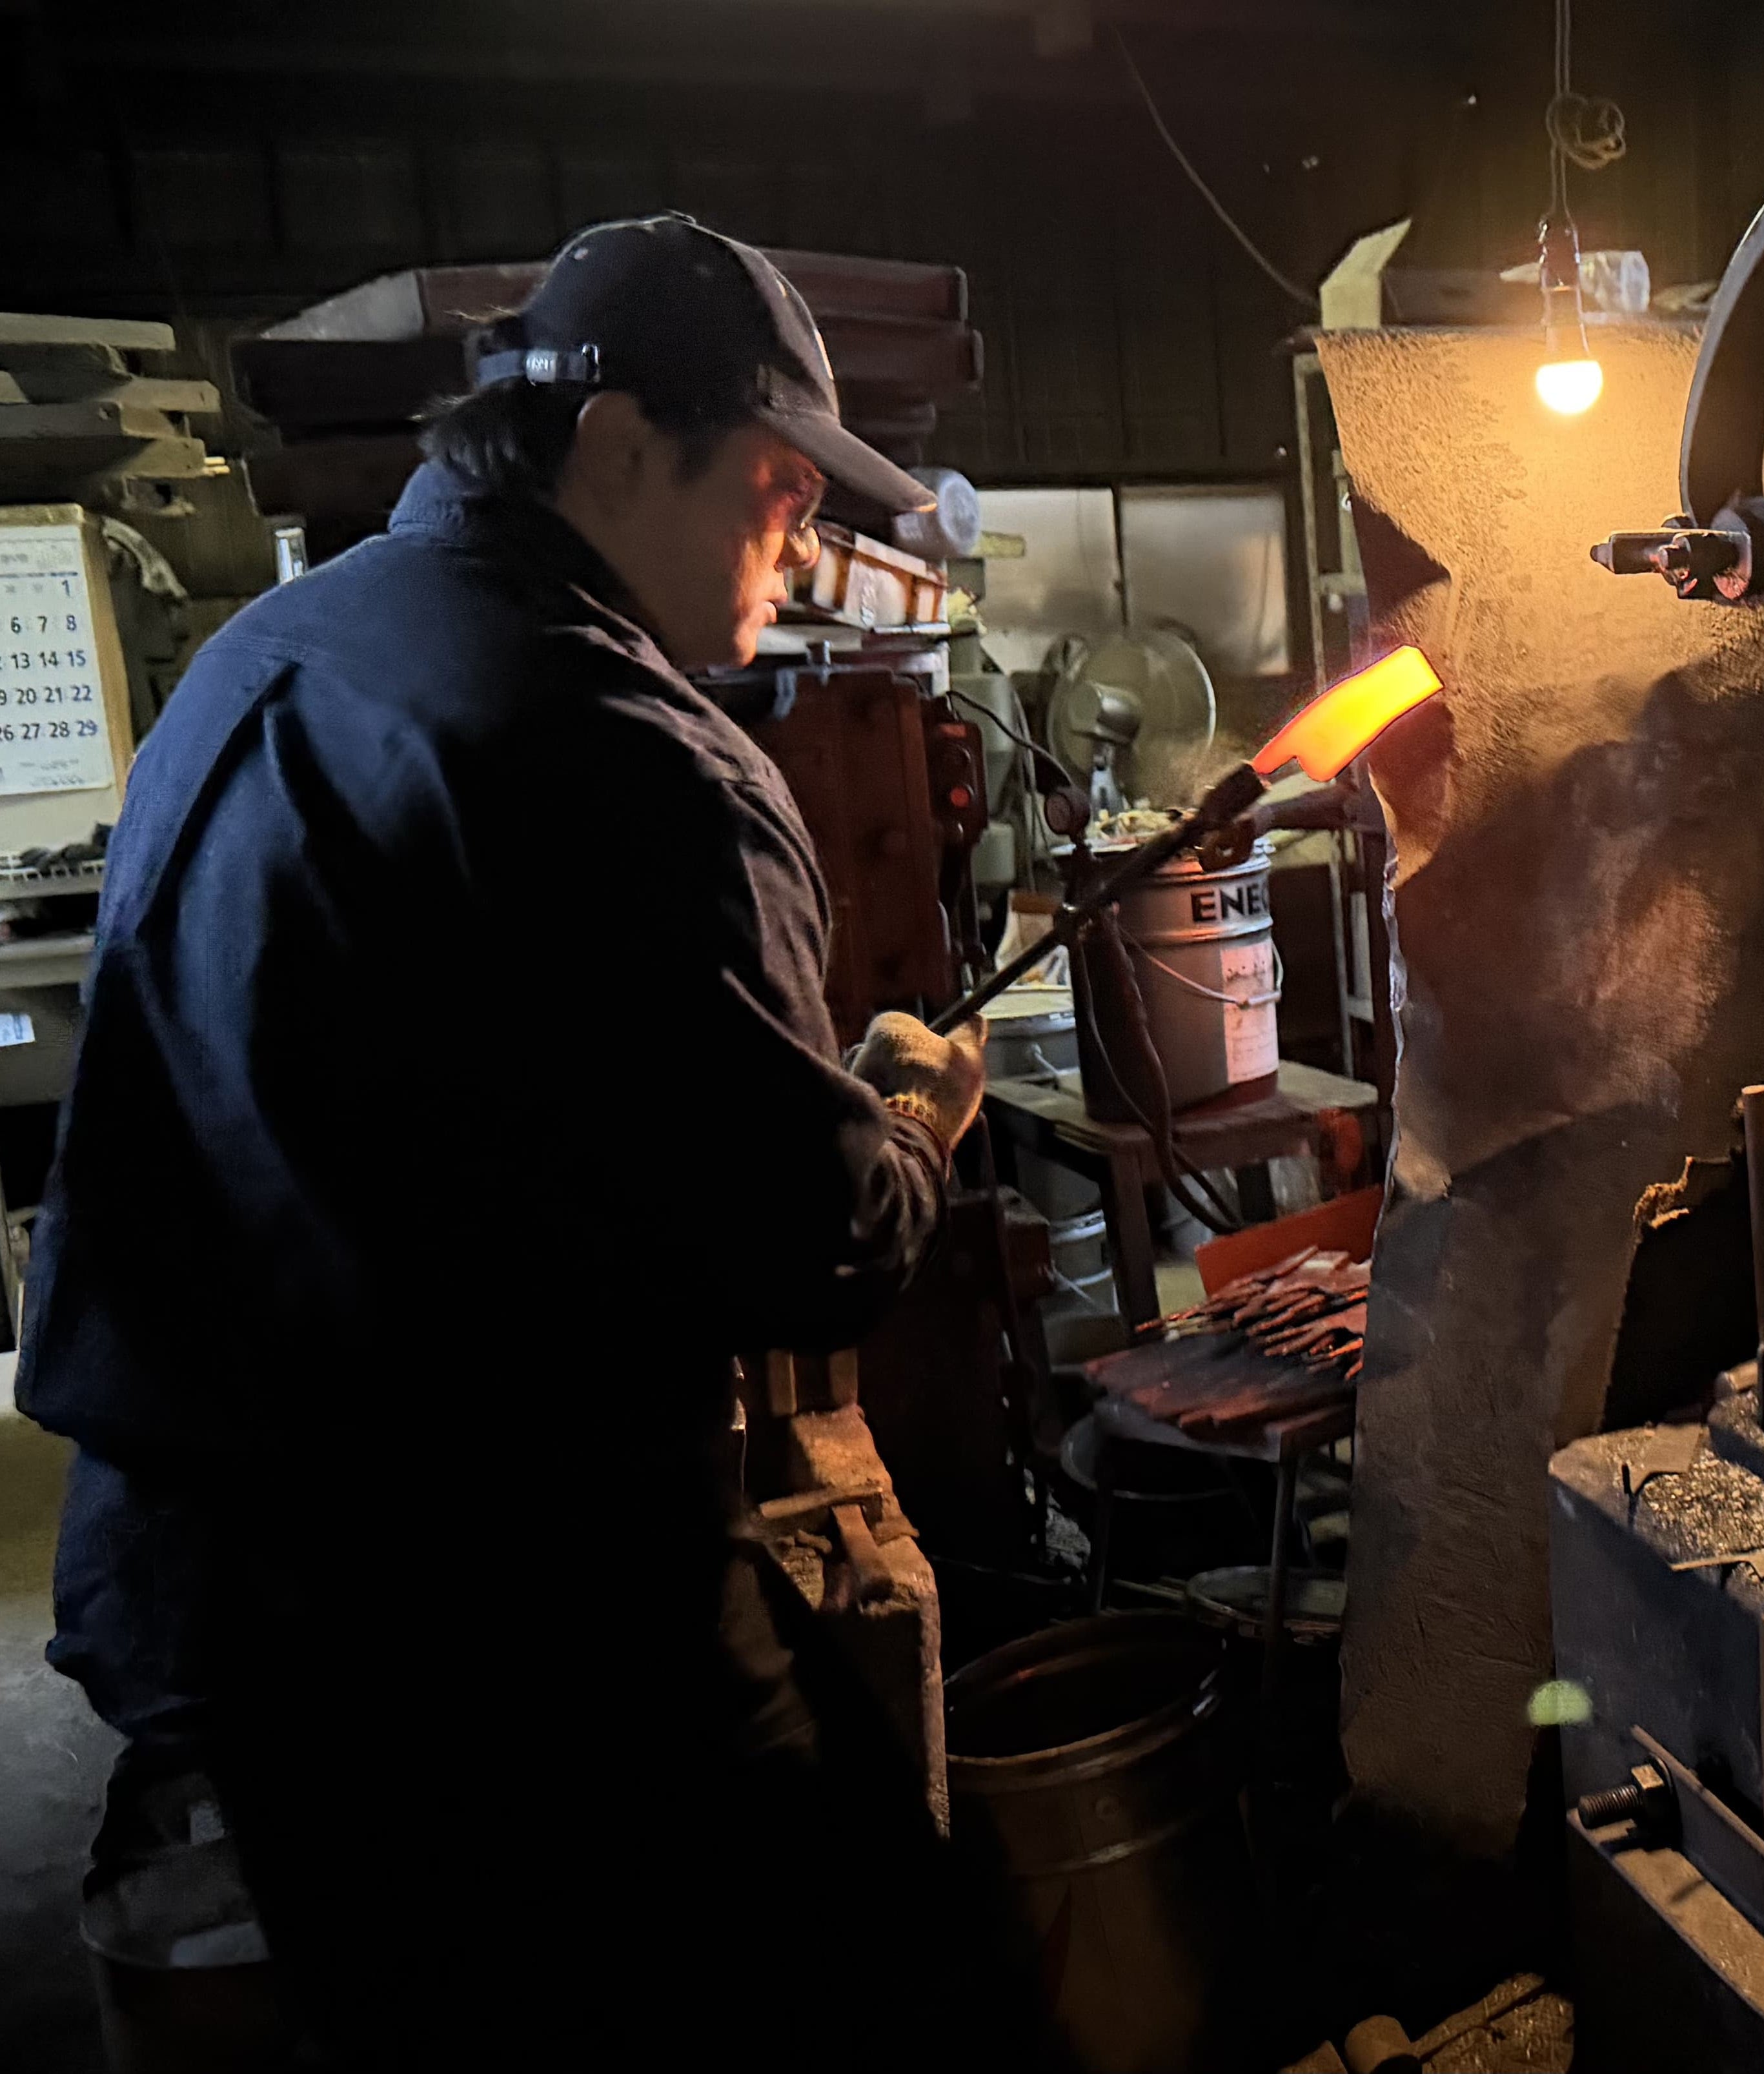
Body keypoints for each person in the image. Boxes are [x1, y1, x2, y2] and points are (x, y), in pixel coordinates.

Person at [17, 215, 1042, 2069]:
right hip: (494, 1624)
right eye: (779, 495)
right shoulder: (607, 736)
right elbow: (806, 1243)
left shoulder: (272, 653)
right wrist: (907, 1110)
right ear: (616, 442)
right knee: (900, 1984)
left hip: (226, 1593)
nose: (796, 551)